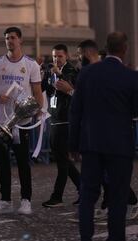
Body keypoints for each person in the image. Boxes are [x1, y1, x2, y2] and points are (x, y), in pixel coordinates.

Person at [69, 32, 138, 241]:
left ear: (106, 48)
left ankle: (86, 237)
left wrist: (73, 144)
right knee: (117, 198)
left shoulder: (87, 74)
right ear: (124, 50)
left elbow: (76, 111)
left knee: (88, 196)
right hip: (120, 145)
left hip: (91, 143)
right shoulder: (131, 76)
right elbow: (135, 111)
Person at [0, 26, 43, 215]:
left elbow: (36, 92)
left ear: (20, 41)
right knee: (1, 163)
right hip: (1, 122)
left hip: (21, 122)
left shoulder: (31, 64)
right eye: (7, 38)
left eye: (13, 38)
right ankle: (5, 200)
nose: (10, 41)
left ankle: (26, 200)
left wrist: (38, 112)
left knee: (23, 162)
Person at [41, 44, 80, 207]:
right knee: (62, 159)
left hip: (66, 120)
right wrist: (41, 73)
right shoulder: (51, 72)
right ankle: (83, 187)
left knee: (62, 161)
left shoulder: (71, 71)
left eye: (60, 56)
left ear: (67, 56)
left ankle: (57, 196)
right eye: (54, 56)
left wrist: (60, 74)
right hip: (54, 118)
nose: (56, 59)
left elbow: (70, 85)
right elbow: (44, 89)